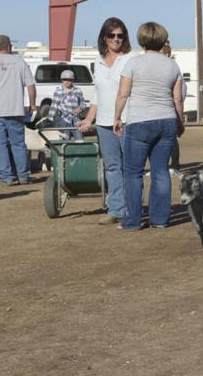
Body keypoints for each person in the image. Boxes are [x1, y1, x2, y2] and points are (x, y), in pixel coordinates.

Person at [114, 22, 184, 231]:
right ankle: (160, 219)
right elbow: (177, 99)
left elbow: (123, 94)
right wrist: (179, 122)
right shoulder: (173, 65)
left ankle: (133, 220)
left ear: (141, 39)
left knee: (133, 173)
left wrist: (117, 117)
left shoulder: (133, 63)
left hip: (140, 122)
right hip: (167, 121)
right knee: (160, 171)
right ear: (163, 39)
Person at [78, 18, 135, 224]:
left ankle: (132, 210)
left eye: (120, 35)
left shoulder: (131, 58)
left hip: (128, 120)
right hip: (103, 124)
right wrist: (88, 119)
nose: (116, 39)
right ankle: (116, 209)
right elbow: (97, 94)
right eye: (111, 35)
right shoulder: (99, 60)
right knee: (112, 167)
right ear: (104, 37)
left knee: (131, 167)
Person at [0, 35, 37, 186]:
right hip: (14, 109)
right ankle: (23, 176)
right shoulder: (19, 61)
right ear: (9, 47)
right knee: (18, 143)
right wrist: (32, 104)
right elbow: (30, 85)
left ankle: (6, 177)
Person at [160, 41, 183, 171]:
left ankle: (175, 165)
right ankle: (162, 166)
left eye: (162, 53)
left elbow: (180, 94)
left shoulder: (173, 67)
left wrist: (179, 116)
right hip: (163, 111)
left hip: (171, 111)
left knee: (172, 141)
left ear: (168, 54)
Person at [49, 69, 87, 140]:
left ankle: (80, 150)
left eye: (69, 79)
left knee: (80, 140)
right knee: (65, 140)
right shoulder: (58, 91)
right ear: (62, 80)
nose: (67, 81)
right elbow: (53, 106)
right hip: (63, 120)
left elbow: (83, 103)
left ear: (73, 80)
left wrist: (80, 108)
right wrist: (49, 119)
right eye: (64, 79)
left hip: (76, 120)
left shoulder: (78, 90)